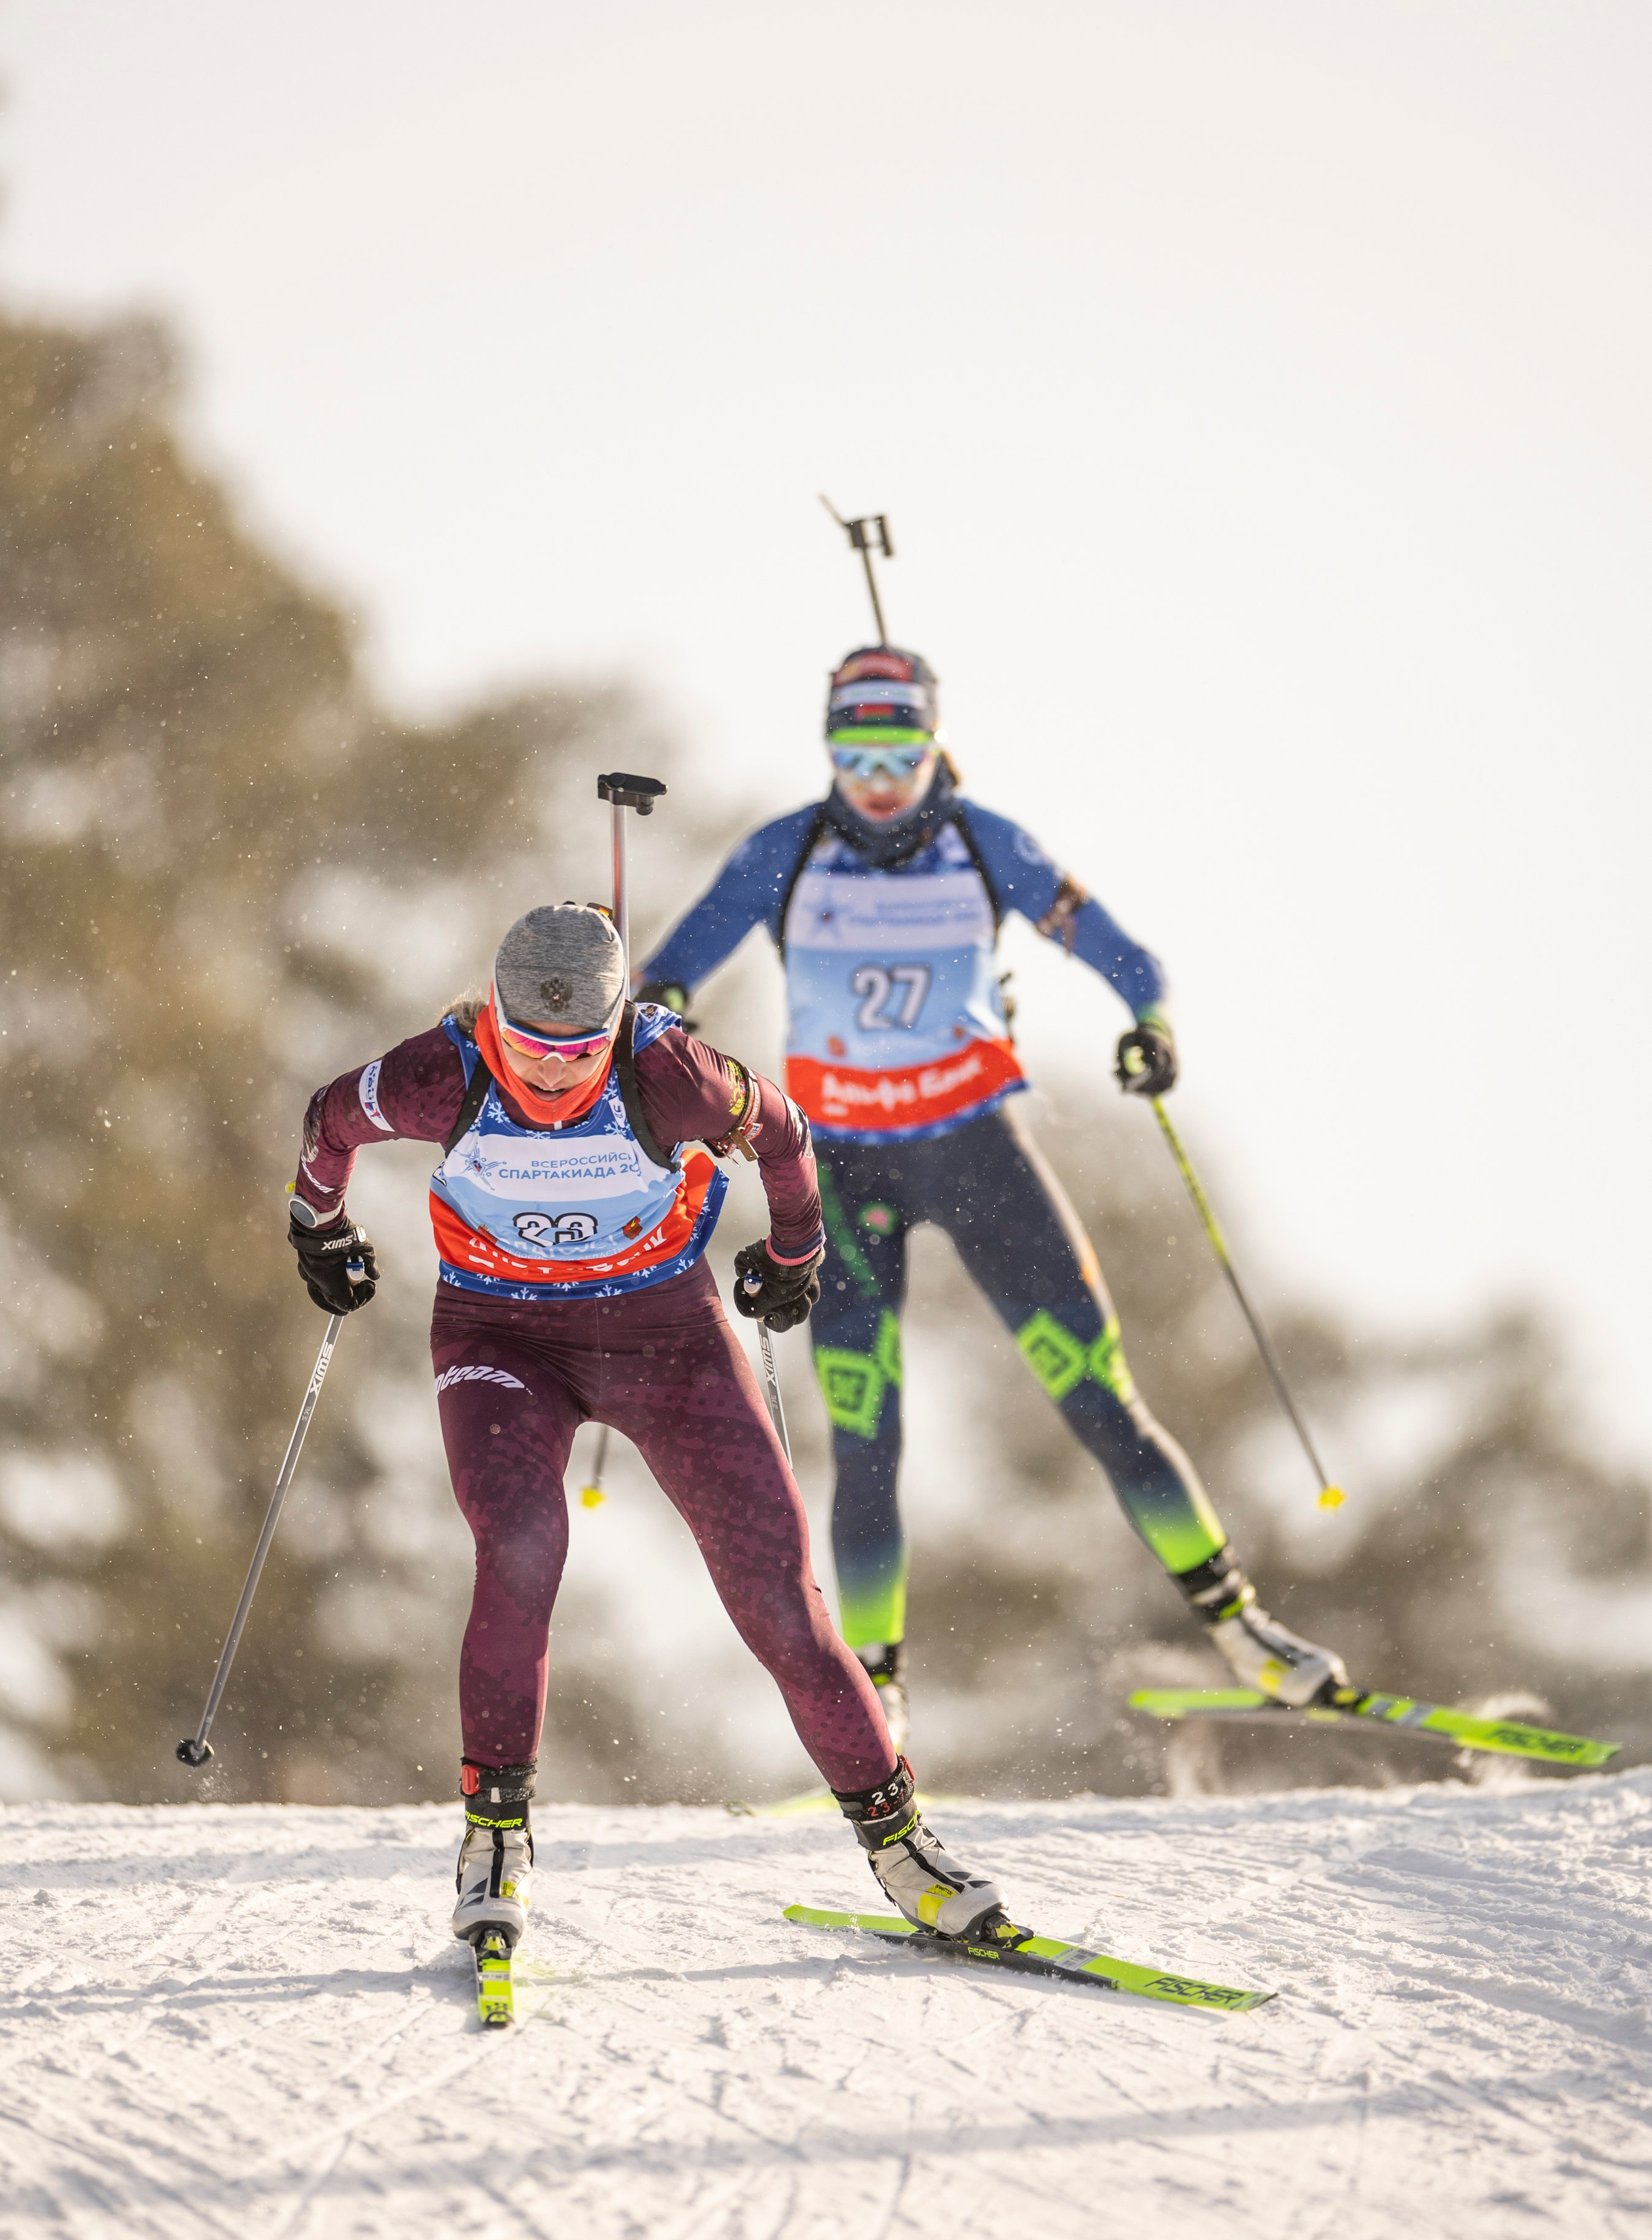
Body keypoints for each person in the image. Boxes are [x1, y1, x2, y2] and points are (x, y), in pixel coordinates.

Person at [286, 897, 1023, 1952]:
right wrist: (319, 1227)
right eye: (528, 1046)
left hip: (667, 1340)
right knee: (523, 1547)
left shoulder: (672, 1076)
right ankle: (494, 1836)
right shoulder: (437, 1074)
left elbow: (786, 1134)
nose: (548, 1074)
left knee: (779, 1597)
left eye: (576, 1052)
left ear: (616, 1027)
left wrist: (795, 1253)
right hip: (504, 1343)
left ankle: (902, 1845)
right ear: (492, 1016)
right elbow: (327, 1120)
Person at [639, 648, 1345, 1746]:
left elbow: (1128, 955)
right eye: (853, 752)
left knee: (1099, 1396)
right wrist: (659, 1037)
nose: (878, 777)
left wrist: (1148, 1029)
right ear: (828, 751)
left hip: (979, 1154)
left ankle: (1245, 1632)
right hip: (843, 1172)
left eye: (900, 750)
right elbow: (672, 973)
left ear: (934, 744)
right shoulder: (790, 851)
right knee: (869, 1434)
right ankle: (880, 1690)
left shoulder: (985, 845)